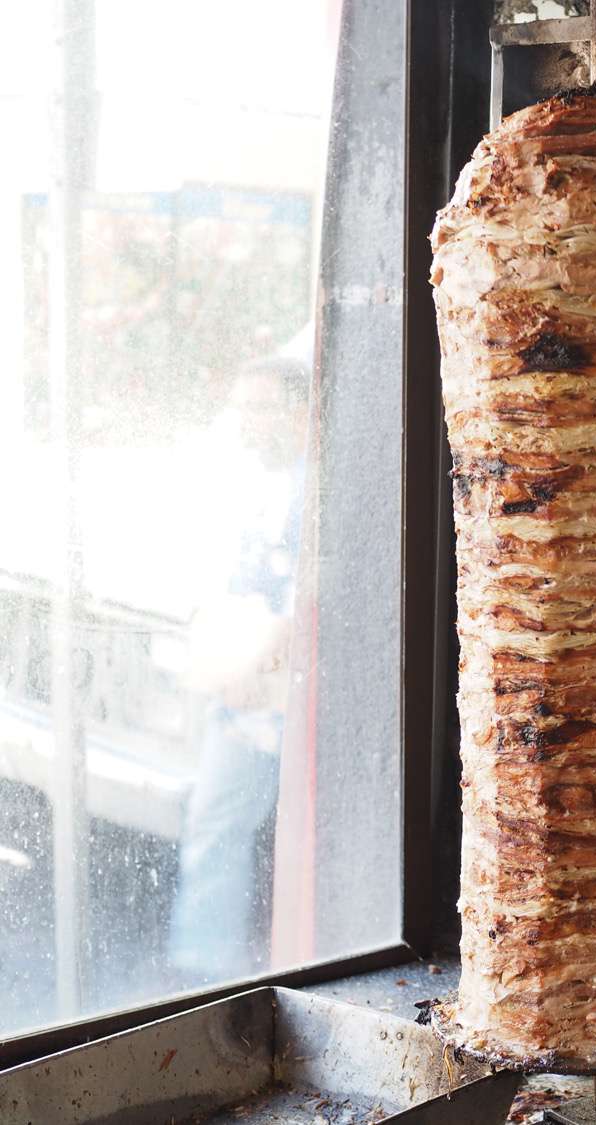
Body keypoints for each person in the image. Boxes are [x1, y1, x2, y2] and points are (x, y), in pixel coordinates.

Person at [168, 354, 308, 986]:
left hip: (277, 691)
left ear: (298, 411)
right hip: (253, 688)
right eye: (241, 407)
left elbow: (305, 595)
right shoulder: (267, 484)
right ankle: (208, 968)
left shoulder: (310, 487)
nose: (245, 422)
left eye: (259, 407)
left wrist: (251, 669)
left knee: (221, 822)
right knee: (220, 822)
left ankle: (204, 976)